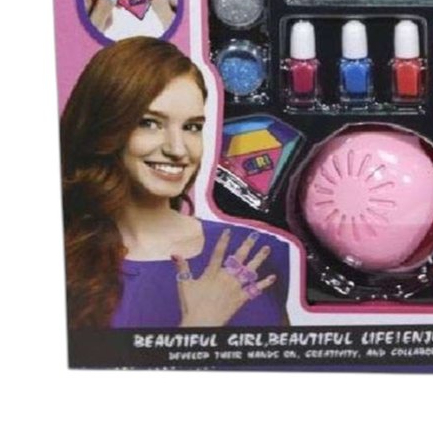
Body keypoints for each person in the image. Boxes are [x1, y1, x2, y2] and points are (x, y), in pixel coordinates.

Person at [60, 36, 288, 329]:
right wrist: (199, 325)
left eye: (192, 127)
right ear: (106, 125)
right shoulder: (67, 260)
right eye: (150, 123)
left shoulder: (256, 254)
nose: (178, 149)